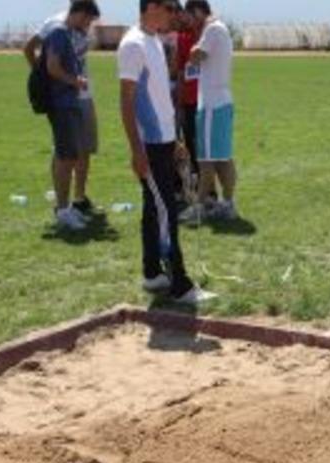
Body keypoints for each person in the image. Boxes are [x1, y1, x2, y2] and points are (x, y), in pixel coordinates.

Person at [118, 0, 213, 304]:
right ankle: (180, 285)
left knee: (152, 208)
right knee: (165, 211)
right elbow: (126, 102)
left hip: (165, 141)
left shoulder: (154, 42)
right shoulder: (133, 45)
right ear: (153, 6)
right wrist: (137, 151)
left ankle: (152, 273)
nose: (175, 14)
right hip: (150, 144)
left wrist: (176, 139)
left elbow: (160, 96)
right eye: (171, 7)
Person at [24, 0, 100, 222]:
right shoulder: (57, 31)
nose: (87, 25)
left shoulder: (66, 32)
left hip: (71, 101)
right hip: (63, 102)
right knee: (65, 157)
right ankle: (63, 210)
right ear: (78, 13)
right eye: (87, 19)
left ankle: (69, 205)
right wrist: (74, 81)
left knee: (70, 154)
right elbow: (52, 67)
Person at [181, 0, 238, 222]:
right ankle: (228, 203)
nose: (189, 22)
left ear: (197, 12)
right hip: (222, 101)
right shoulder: (221, 28)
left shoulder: (212, 29)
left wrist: (196, 43)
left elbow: (195, 55)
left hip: (212, 105)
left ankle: (199, 207)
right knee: (223, 157)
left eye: (190, 16)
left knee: (206, 160)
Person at [175, 5, 204, 197]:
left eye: (181, 15)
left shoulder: (205, 33)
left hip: (205, 101)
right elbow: (180, 71)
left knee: (205, 147)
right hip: (188, 101)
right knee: (191, 145)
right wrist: (179, 102)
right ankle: (192, 189)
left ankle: (209, 192)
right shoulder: (181, 38)